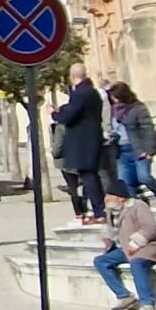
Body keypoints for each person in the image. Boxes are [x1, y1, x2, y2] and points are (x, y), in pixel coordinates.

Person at [92, 189, 156, 310]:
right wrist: (107, 237)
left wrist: (135, 244)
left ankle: (148, 304)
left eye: (110, 196)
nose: (106, 199)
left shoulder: (138, 206)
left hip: (145, 247)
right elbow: (109, 228)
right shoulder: (112, 210)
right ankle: (124, 296)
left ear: (121, 198)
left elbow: (150, 228)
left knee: (137, 263)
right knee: (100, 261)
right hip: (125, 249)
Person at [54, 64, 109, 223]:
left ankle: (99, 212)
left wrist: (56, 113)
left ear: (72, 77)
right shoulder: (93, 93)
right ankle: (99, 210)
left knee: (88, 177)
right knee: (91, 176)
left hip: (83, 142)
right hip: (92, 138)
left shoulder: (80, 93)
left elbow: (70, 115)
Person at [109, 83, 156, 206]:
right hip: (122, 151)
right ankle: (137, 208)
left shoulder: (138, 108)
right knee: (126, 182)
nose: (114, 100)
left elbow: (148, 129)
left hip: (138, 149)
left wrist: (149, 150)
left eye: (116, 97)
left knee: (144, 177)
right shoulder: (113, 111)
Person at [50, 119, 88, 220]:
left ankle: (79, 213)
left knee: (73, 187)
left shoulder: (61, 126)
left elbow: (58, 146)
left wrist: (54, 154)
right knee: (86, 184)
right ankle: (85, 208)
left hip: (67, 161)